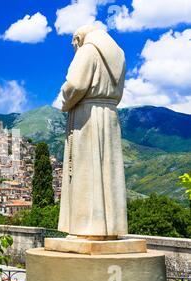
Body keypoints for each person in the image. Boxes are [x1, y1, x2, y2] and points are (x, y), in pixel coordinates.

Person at [57, 24, 128, 239]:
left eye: (73, 45)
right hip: (109, 115)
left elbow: (76, 85)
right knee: (108, 172)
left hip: (86, 115)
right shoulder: (119, 56)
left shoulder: (88, 50)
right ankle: (109, 229)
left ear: (78, 38)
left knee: (85, 171)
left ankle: (86, 229)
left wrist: (64, 99)